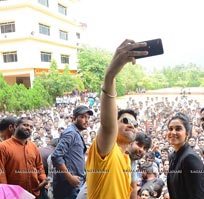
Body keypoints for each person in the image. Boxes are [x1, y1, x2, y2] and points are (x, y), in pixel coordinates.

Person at [85, 39, 148, 199]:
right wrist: (110, 76)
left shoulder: (127, 159)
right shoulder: (106, 150)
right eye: (125, 121)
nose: (131, 125)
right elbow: (107, 126)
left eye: (134, 123)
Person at [76, 132, 152, 199]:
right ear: (130, 142)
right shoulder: (113, 152)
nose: (141, 150)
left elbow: (133, 186)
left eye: (145, 148)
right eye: (139, 145)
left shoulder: (133, 161)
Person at [167, 112, 204, 199]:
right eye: (170, 129)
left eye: (178, 129)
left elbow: (198, 195)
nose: (173, 132)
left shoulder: (190, 158)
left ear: (187, 134)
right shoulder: (172, 155)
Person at [51, 105, 93, 199]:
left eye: (88, 118)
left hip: (75, 183)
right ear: (74, 118)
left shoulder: (76, 132)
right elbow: (56, 156)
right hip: (68, 186)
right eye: (82, 117)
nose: (86, 120)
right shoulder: (71, 133)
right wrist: (69, 177)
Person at [0, 117, 47, 198]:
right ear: (15, 126)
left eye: (31, 127)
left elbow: (39, 166)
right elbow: (1, 173)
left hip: (35, 192)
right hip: (14, 195)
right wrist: (6, 193)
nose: (28, 128)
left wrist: (43, 179)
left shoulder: (33, 146)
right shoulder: (3, 146)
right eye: (25, 125)